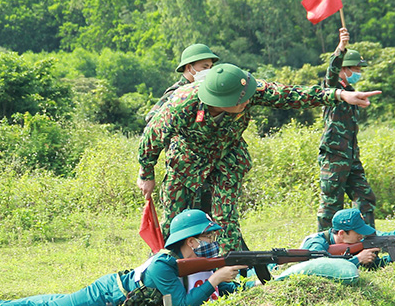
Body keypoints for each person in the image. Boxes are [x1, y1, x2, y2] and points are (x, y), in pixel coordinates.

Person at [138, 63, 380, 256]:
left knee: (226, 217)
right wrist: (146, 174)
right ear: (222, 101)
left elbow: (290, 95)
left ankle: (231, 267)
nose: (248, 103)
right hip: (187, 159)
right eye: (241, 102)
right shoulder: (182, 104)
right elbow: (152, 137)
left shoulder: (247, 90)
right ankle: (167, 265)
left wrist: (338, 95)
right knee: (175, 215)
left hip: (227, 157)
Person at [0, 209, 247, 306]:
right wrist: (215, 279)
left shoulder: (197, 261)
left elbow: (216, 290)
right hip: (108, 292)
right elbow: (180, 305)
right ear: (191, 241)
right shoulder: (163, 265)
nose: (214, 241)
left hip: (118, 290)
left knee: (52, 300)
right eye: (209, 236)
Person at [317, 26, 378, 231]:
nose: (358, 74)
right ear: (344, 69)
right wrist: (340, 49)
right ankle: (323, 247)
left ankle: (368, 240)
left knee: (365, 197)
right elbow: (330, 74)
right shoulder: (332, 90)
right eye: (356, 69)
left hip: (351, 156)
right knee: (331, 205)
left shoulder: (352, 93)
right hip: (334, 156)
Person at [300, 208, 395, 268]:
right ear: (342, 234)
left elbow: (375, 265)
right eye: (357, 233)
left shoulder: (351, 243)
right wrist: (357, 259)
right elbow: (320, 267)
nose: (361, 236)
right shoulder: (317, 243)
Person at [145, 43, 220, 122]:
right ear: (189, 67)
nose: (208, 71)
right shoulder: (176, 92)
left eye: (210, 67)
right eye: (205, 67)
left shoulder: (203, 92)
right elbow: (151, 117)